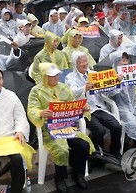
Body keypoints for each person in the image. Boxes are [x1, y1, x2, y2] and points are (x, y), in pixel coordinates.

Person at [27, 63, 94, 193]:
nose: (56, 78)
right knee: (61, 150)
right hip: (49, 129)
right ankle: (60, 178)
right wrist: (40, 113)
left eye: (57, 75)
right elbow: (31, 110)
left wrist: (82, 108)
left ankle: (77, 173)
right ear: (45, 77)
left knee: (83, 145)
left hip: (68, 126)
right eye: (52, 76)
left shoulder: (64, 88)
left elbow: (72, 105)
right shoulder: (36, 91)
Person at [66, 51, 123, 156]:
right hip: (86, 111)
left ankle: (115, 152)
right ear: (75, 63)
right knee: (100, 130)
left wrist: (116, 82)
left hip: (99, 108)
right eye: (81, 61)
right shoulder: (70, 78)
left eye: (85, 60)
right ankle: (96, 154)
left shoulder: (94, 75)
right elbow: (72, 92)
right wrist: (84, 88)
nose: (85, 64)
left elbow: (108, 91)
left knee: (117, 126)